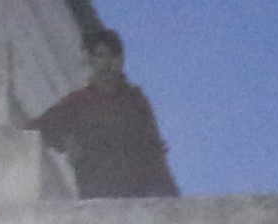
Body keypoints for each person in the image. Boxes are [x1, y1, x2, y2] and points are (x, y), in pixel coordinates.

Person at [31, 18, 178, 196]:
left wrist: (168, 192)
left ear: (121, 60)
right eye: (101, 55)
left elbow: (153, 149)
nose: (107, 63)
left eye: (113, 56)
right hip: (98, 193)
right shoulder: (78, 103)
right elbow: (43, 127)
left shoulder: (135, 102)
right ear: (90, 60)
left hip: (137, 194)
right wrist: (68, 142)